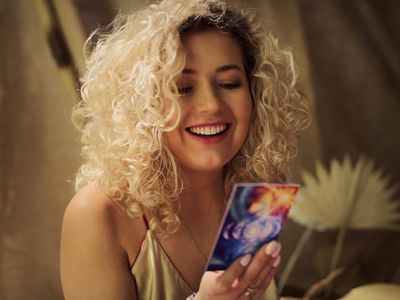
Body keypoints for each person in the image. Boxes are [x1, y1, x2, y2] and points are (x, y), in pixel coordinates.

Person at [60, 0, 310, 299]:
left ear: (256, 93)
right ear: (143, 103)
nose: (212, 105)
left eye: (229, 83)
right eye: (181, 87)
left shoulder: (255, 196)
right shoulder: (96, 214)